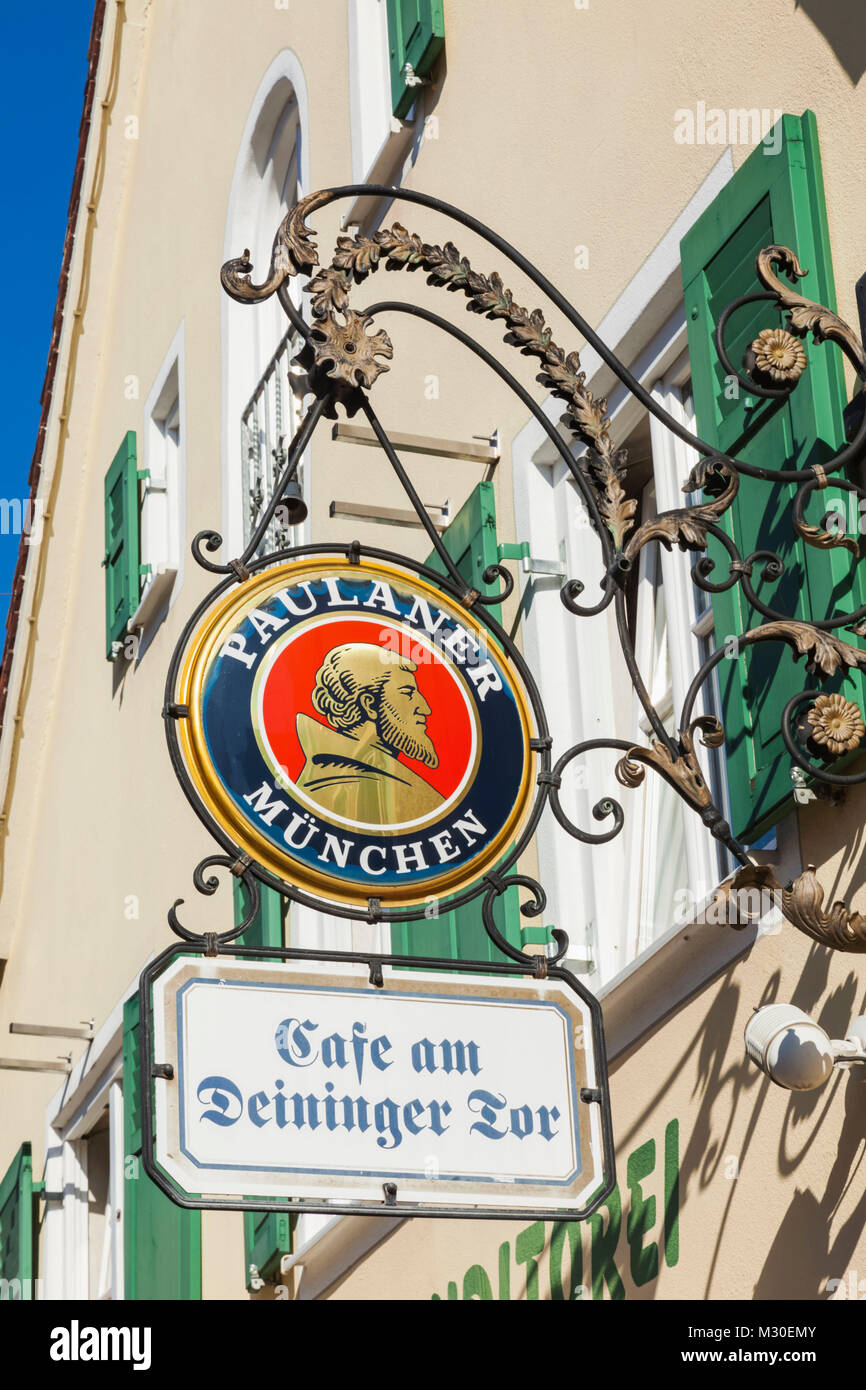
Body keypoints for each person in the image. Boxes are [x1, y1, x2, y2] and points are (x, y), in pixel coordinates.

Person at [295, 643, 444, 824]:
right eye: (408, 693)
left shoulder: (378, 780)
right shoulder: (340, 786)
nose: (425, 709)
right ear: (370, 704)